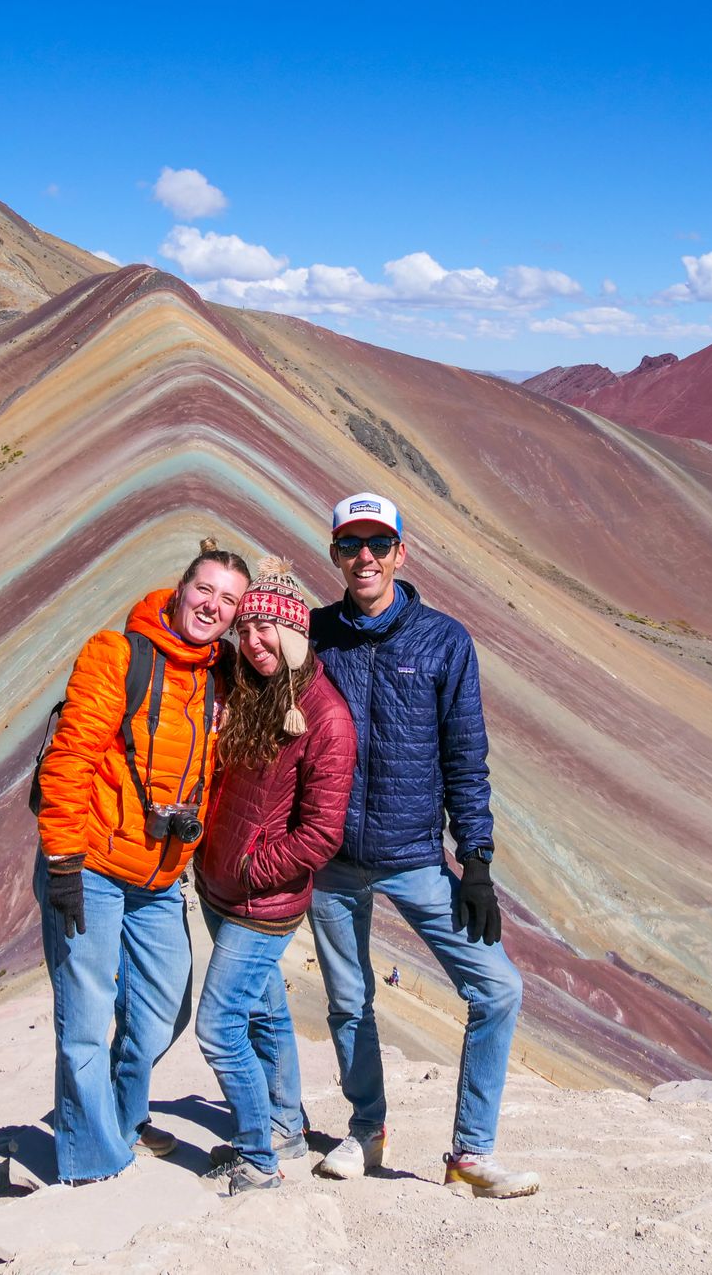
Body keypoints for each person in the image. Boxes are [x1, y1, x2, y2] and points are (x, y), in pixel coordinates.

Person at [307, 492, 540, 1198]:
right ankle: (367, 1130)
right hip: (332, 863)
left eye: (379, 544)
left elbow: (466, 758)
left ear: (402, 553)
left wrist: (477, 862)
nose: (365, 557)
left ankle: (470, 1154)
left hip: (415, 860)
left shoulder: (444, 641)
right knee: (349, 1001)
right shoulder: (314, 636)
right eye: (351, 545)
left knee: (497, 989)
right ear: (336, 556)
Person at [33, 540, 251, 1185]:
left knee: (161, 1008)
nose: (212, 606)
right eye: (204, 590)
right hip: (93, 867)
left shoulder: (222, 675)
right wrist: (64, 863)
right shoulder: (117, 654)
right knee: (86, 1012)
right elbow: (69, 761)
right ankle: (95, 1164)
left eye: (228, 600)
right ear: (180, 589)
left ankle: (123, 1120)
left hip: (158, 879)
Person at [191, 558, 356, 1196]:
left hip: (262, 899)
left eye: (268, 631)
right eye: (248, 629)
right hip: (220, 882)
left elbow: (321, 833)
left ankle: (258, 1155)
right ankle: (285, 1123)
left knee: (218, 1025)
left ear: (293, 635)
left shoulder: (326, 718)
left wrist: (252, 869)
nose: (254, 643)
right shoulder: (254, 691)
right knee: (263, 1011)